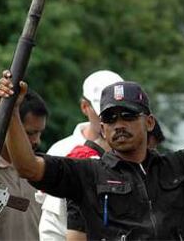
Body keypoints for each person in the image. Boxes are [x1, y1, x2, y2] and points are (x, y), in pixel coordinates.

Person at [0, 51, 184, 239]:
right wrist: (10, 113)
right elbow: (27, 166)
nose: (119, 124)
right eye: (110, 118)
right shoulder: (86, 174)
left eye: (128, 115)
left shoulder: (178, 167)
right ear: (103, 128)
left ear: (148, 122)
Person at [38, 70, 123, 241]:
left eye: (119, 112)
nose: (109, 119)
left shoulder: (132, 152)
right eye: (103, 112)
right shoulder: (61, 152)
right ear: (85, 106)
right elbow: (52, 222)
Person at [0, 88, 48, 241]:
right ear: (11, 124)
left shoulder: (39, 172)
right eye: (30, 133)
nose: (37, 141)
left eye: (39, 133)